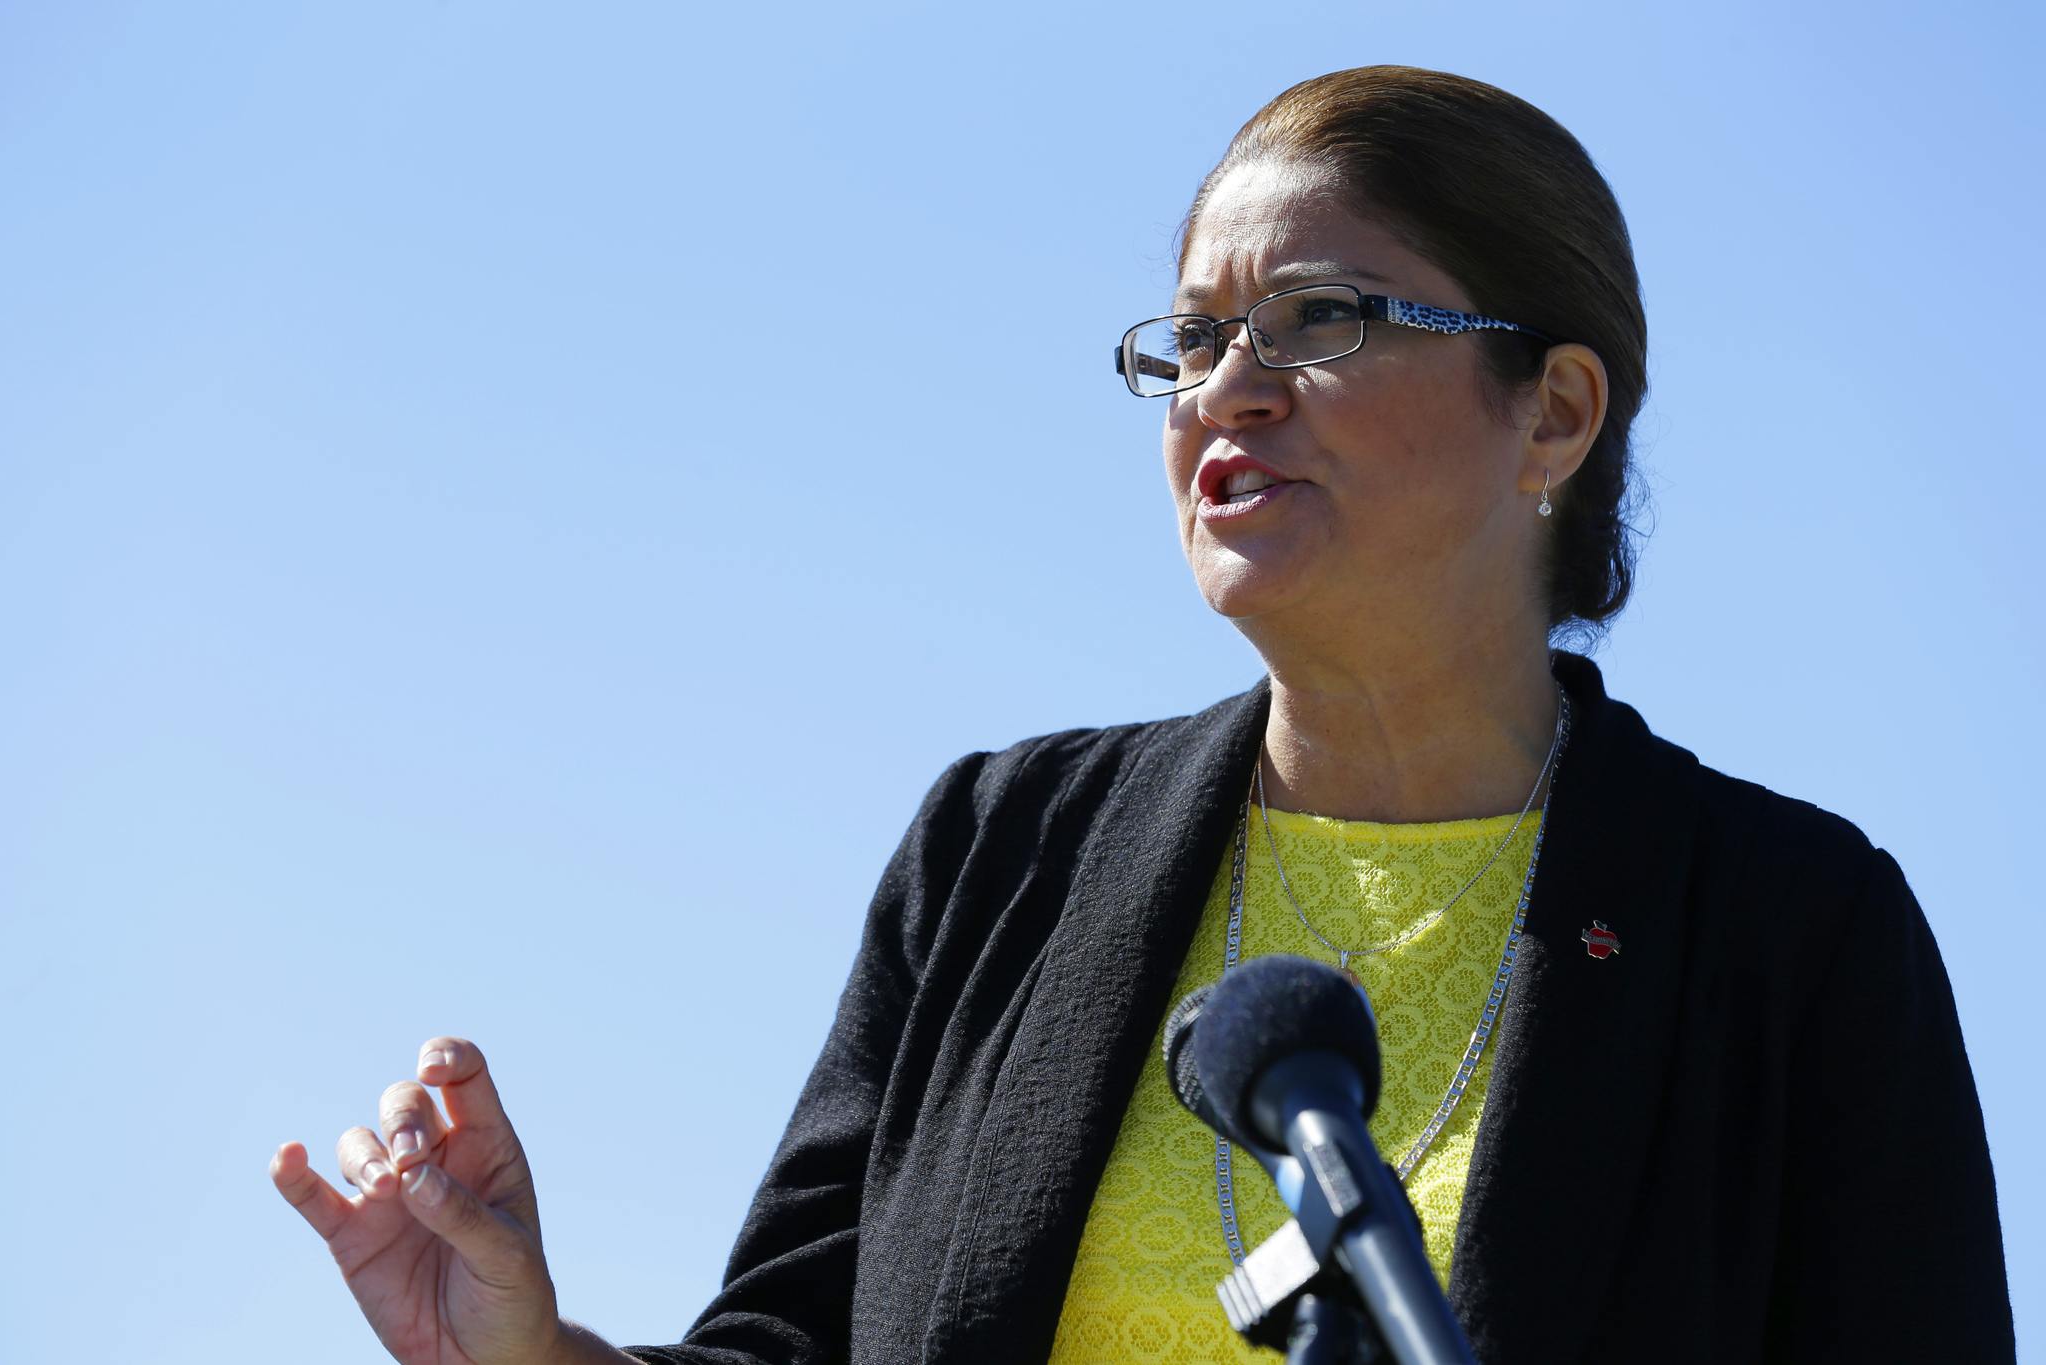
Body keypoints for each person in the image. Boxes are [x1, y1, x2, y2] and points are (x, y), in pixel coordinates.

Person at [270, 66, 2014, 1363]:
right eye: (1189, 345)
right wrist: (533, 1348)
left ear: (1552, 412)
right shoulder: (1001, 855)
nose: (1226, 392)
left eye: (1316, 318)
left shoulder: (1795, 932)